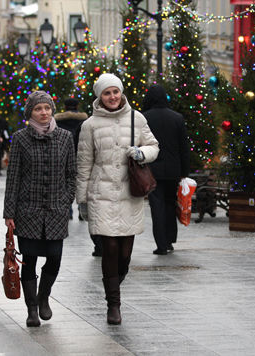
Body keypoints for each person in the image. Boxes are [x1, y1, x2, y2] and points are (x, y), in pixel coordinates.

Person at [76, 73, 159, 325]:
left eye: (115, 92)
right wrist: (82, 199)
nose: (112, 97)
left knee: (125, 254)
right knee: (109, 247)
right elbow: (84, 163)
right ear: (99, 97)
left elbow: (154, 146)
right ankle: (114, 304)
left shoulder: (137, 118)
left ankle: (115, 281)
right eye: (106, 93)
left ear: (121, 93)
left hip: (129, 193)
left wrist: (141, 152)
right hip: (100, 193)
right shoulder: (89, 125)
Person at [3, 91, 76, 327]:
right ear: (30, 112)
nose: (43, 112)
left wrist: (66, 201)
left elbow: (71, 174)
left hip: (56, 210)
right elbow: (13, 178)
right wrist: (9, 213)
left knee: (54, 258)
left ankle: (44, 296)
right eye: (38, 109)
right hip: (28, 211)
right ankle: (32, 308)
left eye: (46, 108)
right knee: (29, 261)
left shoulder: (65, 137)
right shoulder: (21, 138)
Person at [143, 84, 190, 255]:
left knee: (157, 207)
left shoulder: (144, 118)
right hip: (173, 170)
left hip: (152, 169)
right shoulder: (177, 118)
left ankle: (161, 244)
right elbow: (184, 148)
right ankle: (170, 239)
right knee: (170, 203)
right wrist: (184, 172)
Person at [55, 98, 88, 219]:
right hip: (80, 154)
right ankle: (81, 209)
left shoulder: (58, 121)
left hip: (63, 155)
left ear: (65, 107)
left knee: (64, 184)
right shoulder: (85, 121)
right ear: (77, 106)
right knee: (81, 182)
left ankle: (67, 211)